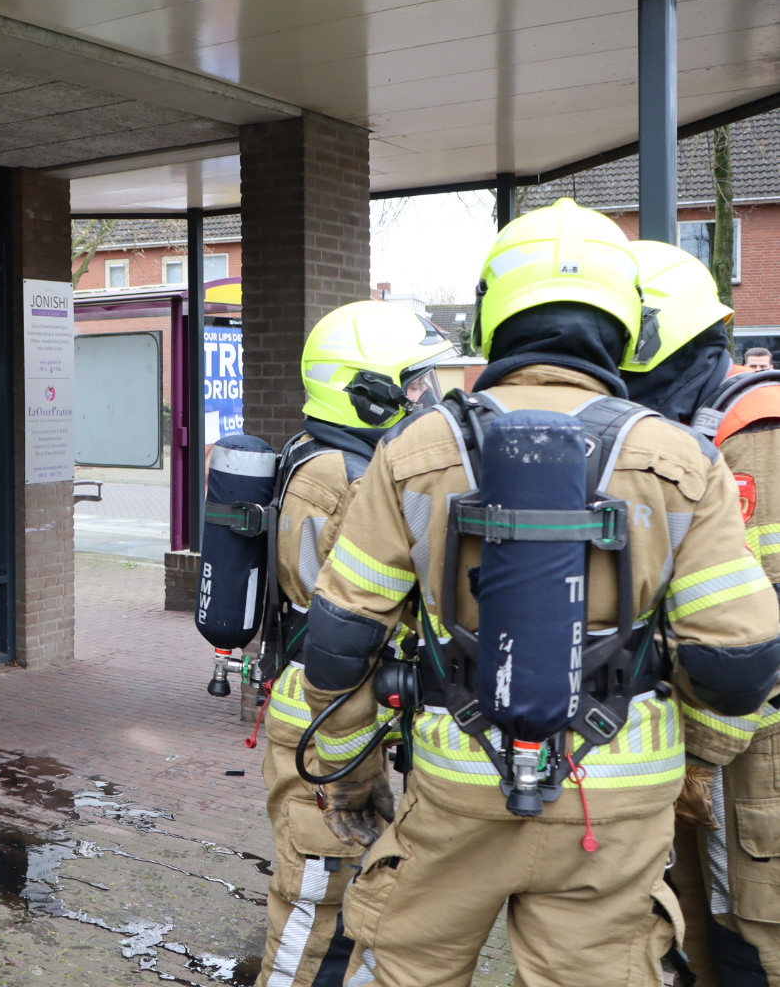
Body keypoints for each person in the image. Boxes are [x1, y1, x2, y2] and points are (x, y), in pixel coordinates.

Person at [301, 198, 780, 987]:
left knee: (407, 970)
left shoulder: (416, 450)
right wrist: (687, 764)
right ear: (627, 319)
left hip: (456, 791)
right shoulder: (683, 462)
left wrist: (351, 781)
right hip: (615, 814)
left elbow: (339, 644)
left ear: (494, 314)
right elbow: (741, 664)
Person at [257, 299, 455, 987]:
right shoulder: (338, 474)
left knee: (348, 887)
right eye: (410, 383)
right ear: (365, 394)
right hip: (326, 709)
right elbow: (340, 603)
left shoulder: (333, 459)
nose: (423, 396)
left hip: (339, 704)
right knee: (319, 896)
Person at [622, 240, 780, 985]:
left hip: (751, 764)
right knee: (705, 937)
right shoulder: (689, 440)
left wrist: (696, 759)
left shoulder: (755, 443)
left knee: (753, 945)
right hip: (712, 760)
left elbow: (760, 638)